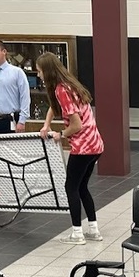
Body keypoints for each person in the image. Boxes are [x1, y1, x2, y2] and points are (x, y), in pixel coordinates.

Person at [36, 51, 105, 245]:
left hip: (83, 147)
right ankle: (93, 229)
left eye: (40, 71)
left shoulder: (61, 90)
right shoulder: (69, 84)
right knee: (82, 186)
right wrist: (46, 125)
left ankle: (77, 233)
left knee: (71, 187)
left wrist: (60, 134)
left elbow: (76, 125)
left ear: (47, 72)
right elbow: (53, 106)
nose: (39, 75)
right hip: (96, 145)